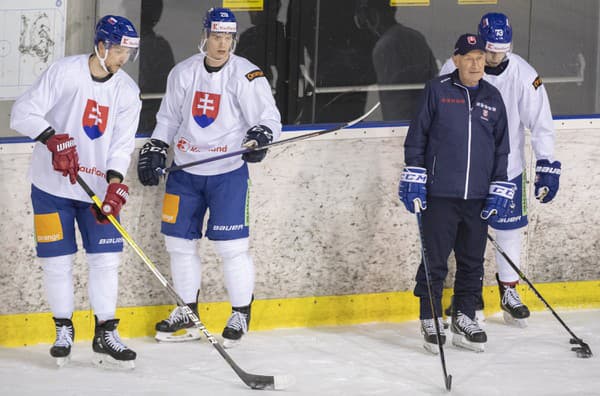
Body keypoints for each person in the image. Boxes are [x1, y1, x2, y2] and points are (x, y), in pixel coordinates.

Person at [137, 7, 281, 348]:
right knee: (179, 246)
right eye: (217, 36)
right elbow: (169, 117)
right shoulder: (182, 73)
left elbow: (269, 118)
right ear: (204, 36)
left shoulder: (248, 75)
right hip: (185, 173)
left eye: (229, 37)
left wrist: (261, 134)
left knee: (232, 248)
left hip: (227, 174)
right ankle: (187, 313)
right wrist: (157, 145)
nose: (223, 44)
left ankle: (241, 312)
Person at [10, 15, 141, 368]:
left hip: (96, 188)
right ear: (101, 46)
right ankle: (63, 329)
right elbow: (21, 113)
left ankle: (105, 331)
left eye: (129, 52)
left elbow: (121, 145)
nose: (123, 59)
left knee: (106, 260)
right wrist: (52, 139)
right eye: (119, 51)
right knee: (57, 262)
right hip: (51, 187)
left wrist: (115, 187)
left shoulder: (127, 92)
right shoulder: (64, 72)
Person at [439, 13, 561, 327]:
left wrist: (547, 163)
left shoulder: (524, 74)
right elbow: (438, 113)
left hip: (508, 168)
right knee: (464, 234)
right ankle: (468, 295)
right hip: (465, 169)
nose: (494, 57)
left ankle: (509, 290)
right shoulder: (454, 67)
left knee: (509, 229)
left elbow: (541, 122)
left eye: (500, 51)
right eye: (489, 50)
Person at [399, 33, 512, 353]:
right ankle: (430, 317)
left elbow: (502, 148)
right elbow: (417, 135)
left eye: (480, 57)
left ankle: (464, 316)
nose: (476, 63)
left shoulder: (493, 97)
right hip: (440, 195)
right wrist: (414, 174)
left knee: (472, 261)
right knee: (434, 261)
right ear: (457, 59)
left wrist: (499, 186)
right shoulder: (437, 90)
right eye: (469, 57)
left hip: (477, 196)